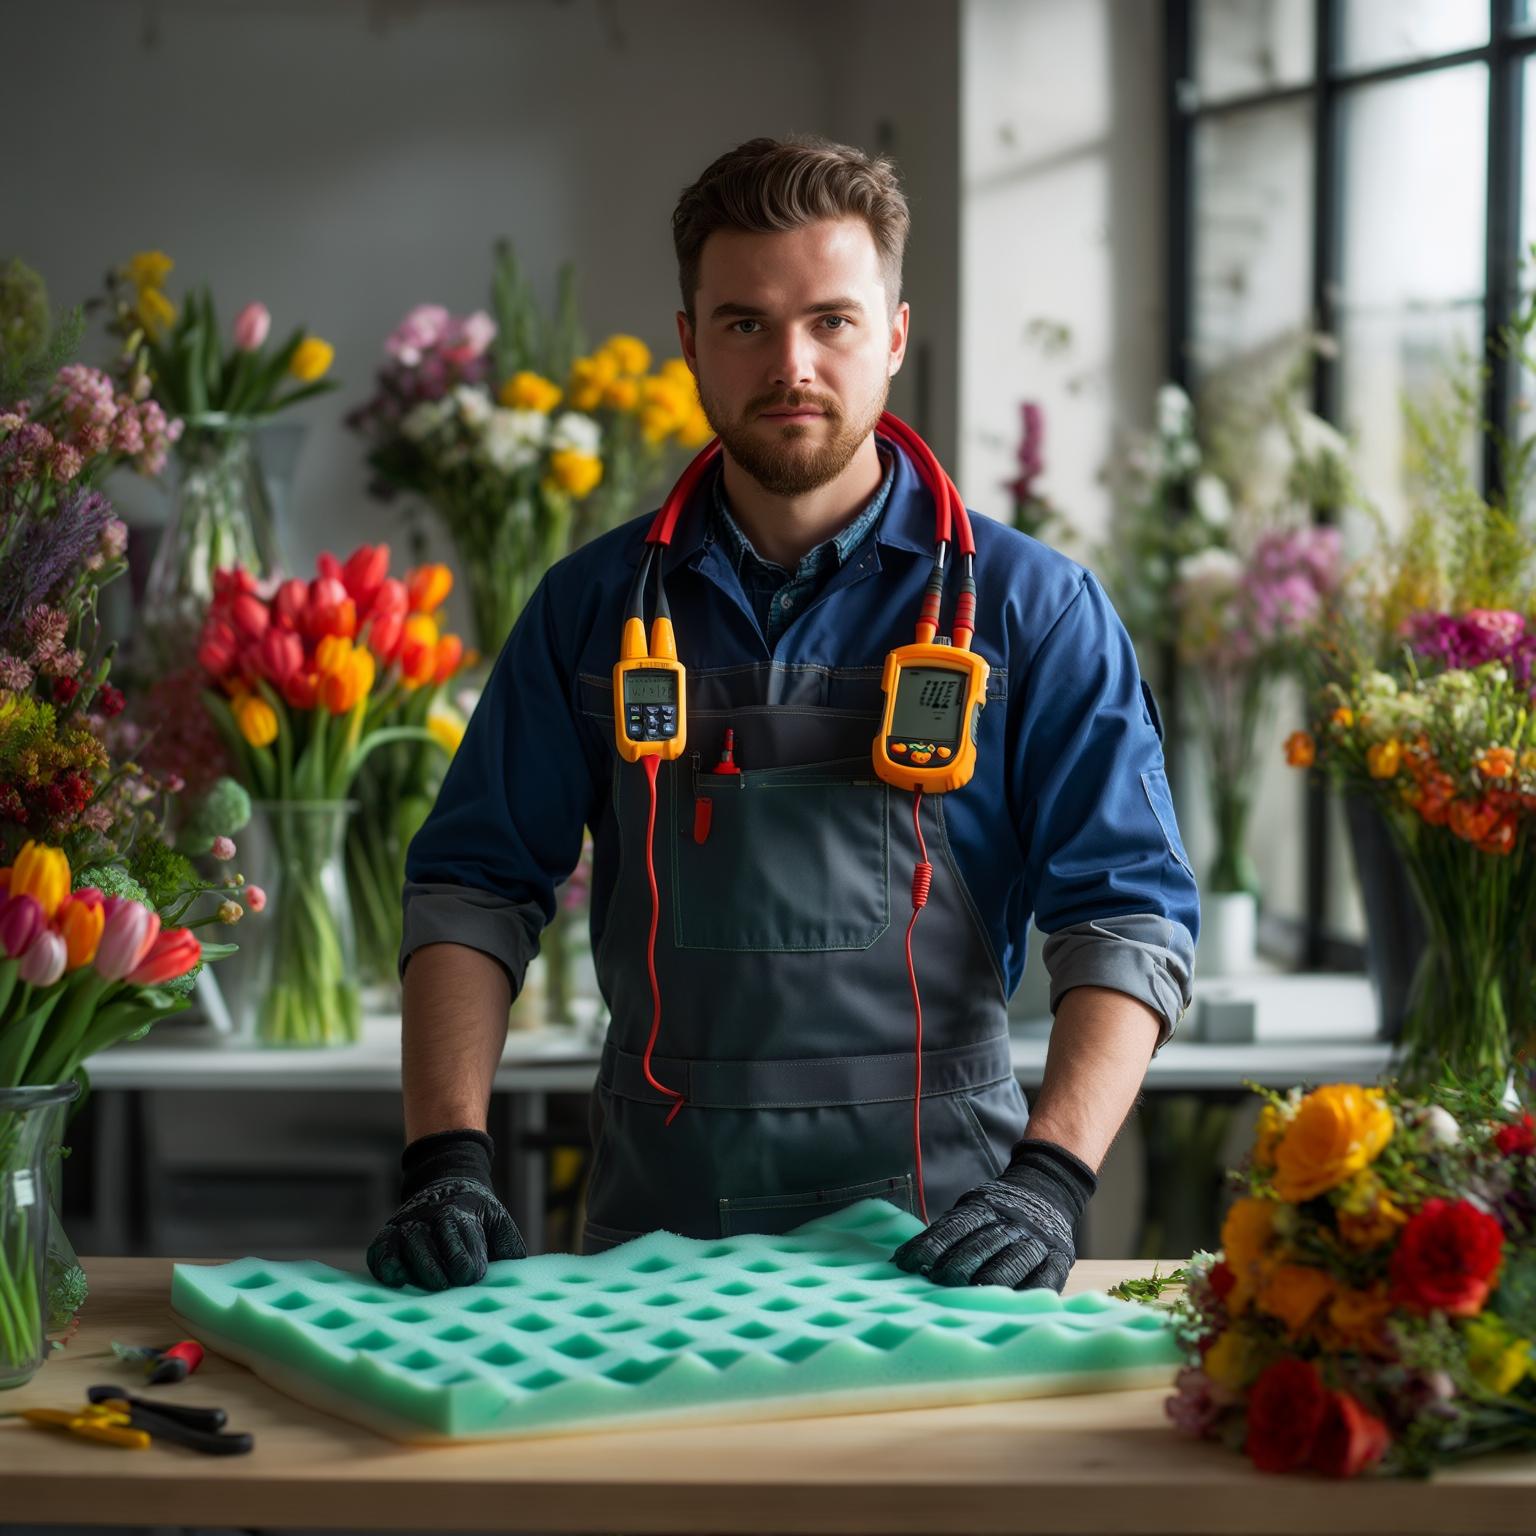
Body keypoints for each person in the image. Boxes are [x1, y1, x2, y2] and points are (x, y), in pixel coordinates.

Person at [367, 135, 1198, 1295]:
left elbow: (1130, 915)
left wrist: (1049, 1179)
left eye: (833, 321)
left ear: (895, 336)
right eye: (746, 322)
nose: (790, 361)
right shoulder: (591, 608)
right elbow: (472, 887)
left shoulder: (1034, 610)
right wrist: (445, 1158)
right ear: (690, 340)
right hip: (648, 1252)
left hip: (948, 1250)